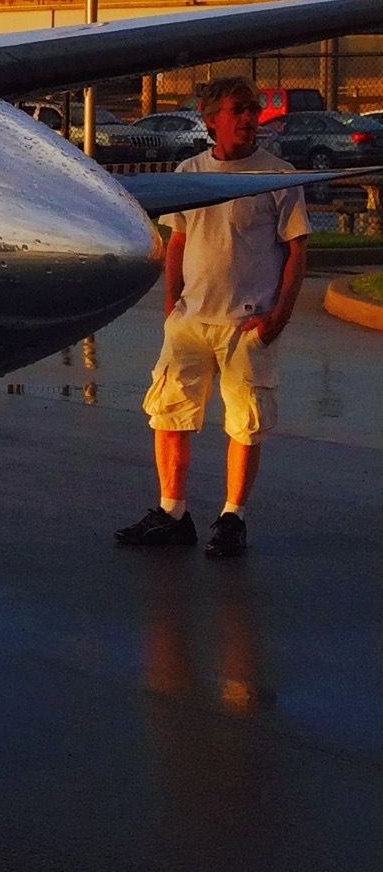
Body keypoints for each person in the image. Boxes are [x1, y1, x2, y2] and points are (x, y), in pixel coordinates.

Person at [115, 76, 312, 556]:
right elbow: (177, 242)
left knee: (245, 422)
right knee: (169, 414)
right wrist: (172, 310)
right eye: (238, 109)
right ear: (211, 120)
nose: (249, 118)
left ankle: (232, 518)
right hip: (190, 323)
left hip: (246, 324)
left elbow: (297, 249)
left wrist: (277, 318)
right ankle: (172, 512)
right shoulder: (189, 172)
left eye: (253, 109)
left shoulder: (277, 176)